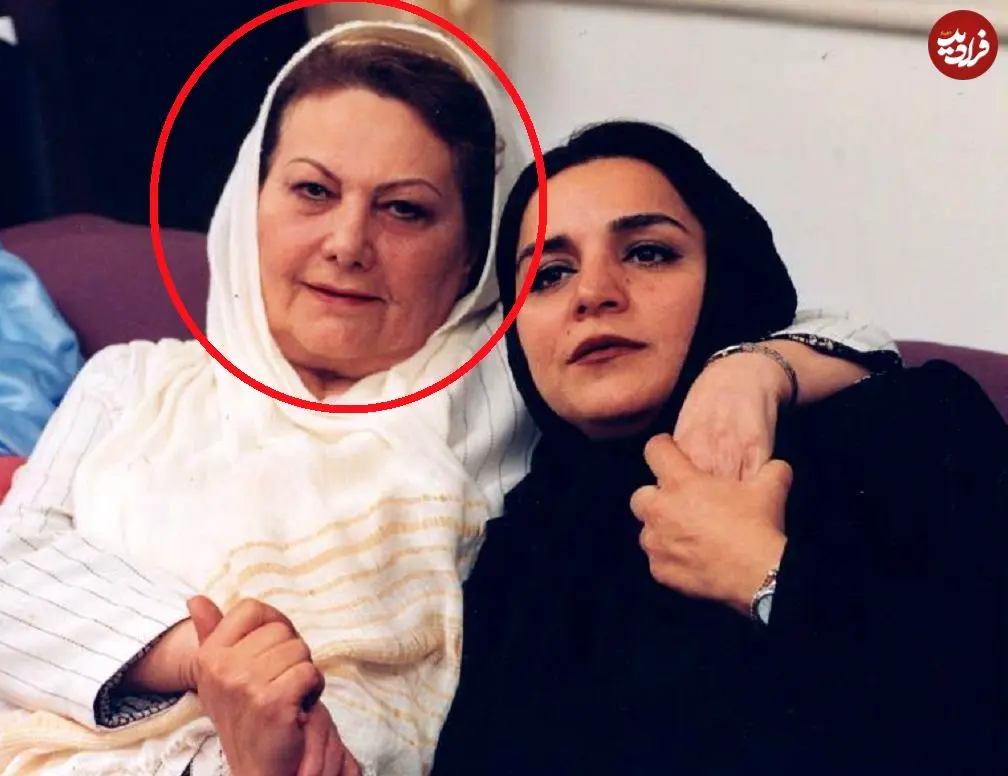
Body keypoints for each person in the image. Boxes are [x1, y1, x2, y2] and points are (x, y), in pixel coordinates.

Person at [0, 23, 899, 776]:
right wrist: (205, 659)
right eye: (312, 192)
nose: (347, 244)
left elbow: (844, 331)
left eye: (404, 209)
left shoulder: (503, 380)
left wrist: (752, 369)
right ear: (249, 201)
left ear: (473, 252)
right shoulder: (136, 379)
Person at [430, 119, 1008, 776]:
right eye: (549, 274)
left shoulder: (906, 423)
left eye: (648, 253)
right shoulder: (520, 548)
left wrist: (767, 576)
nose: (592, 294)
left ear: (728, 272)